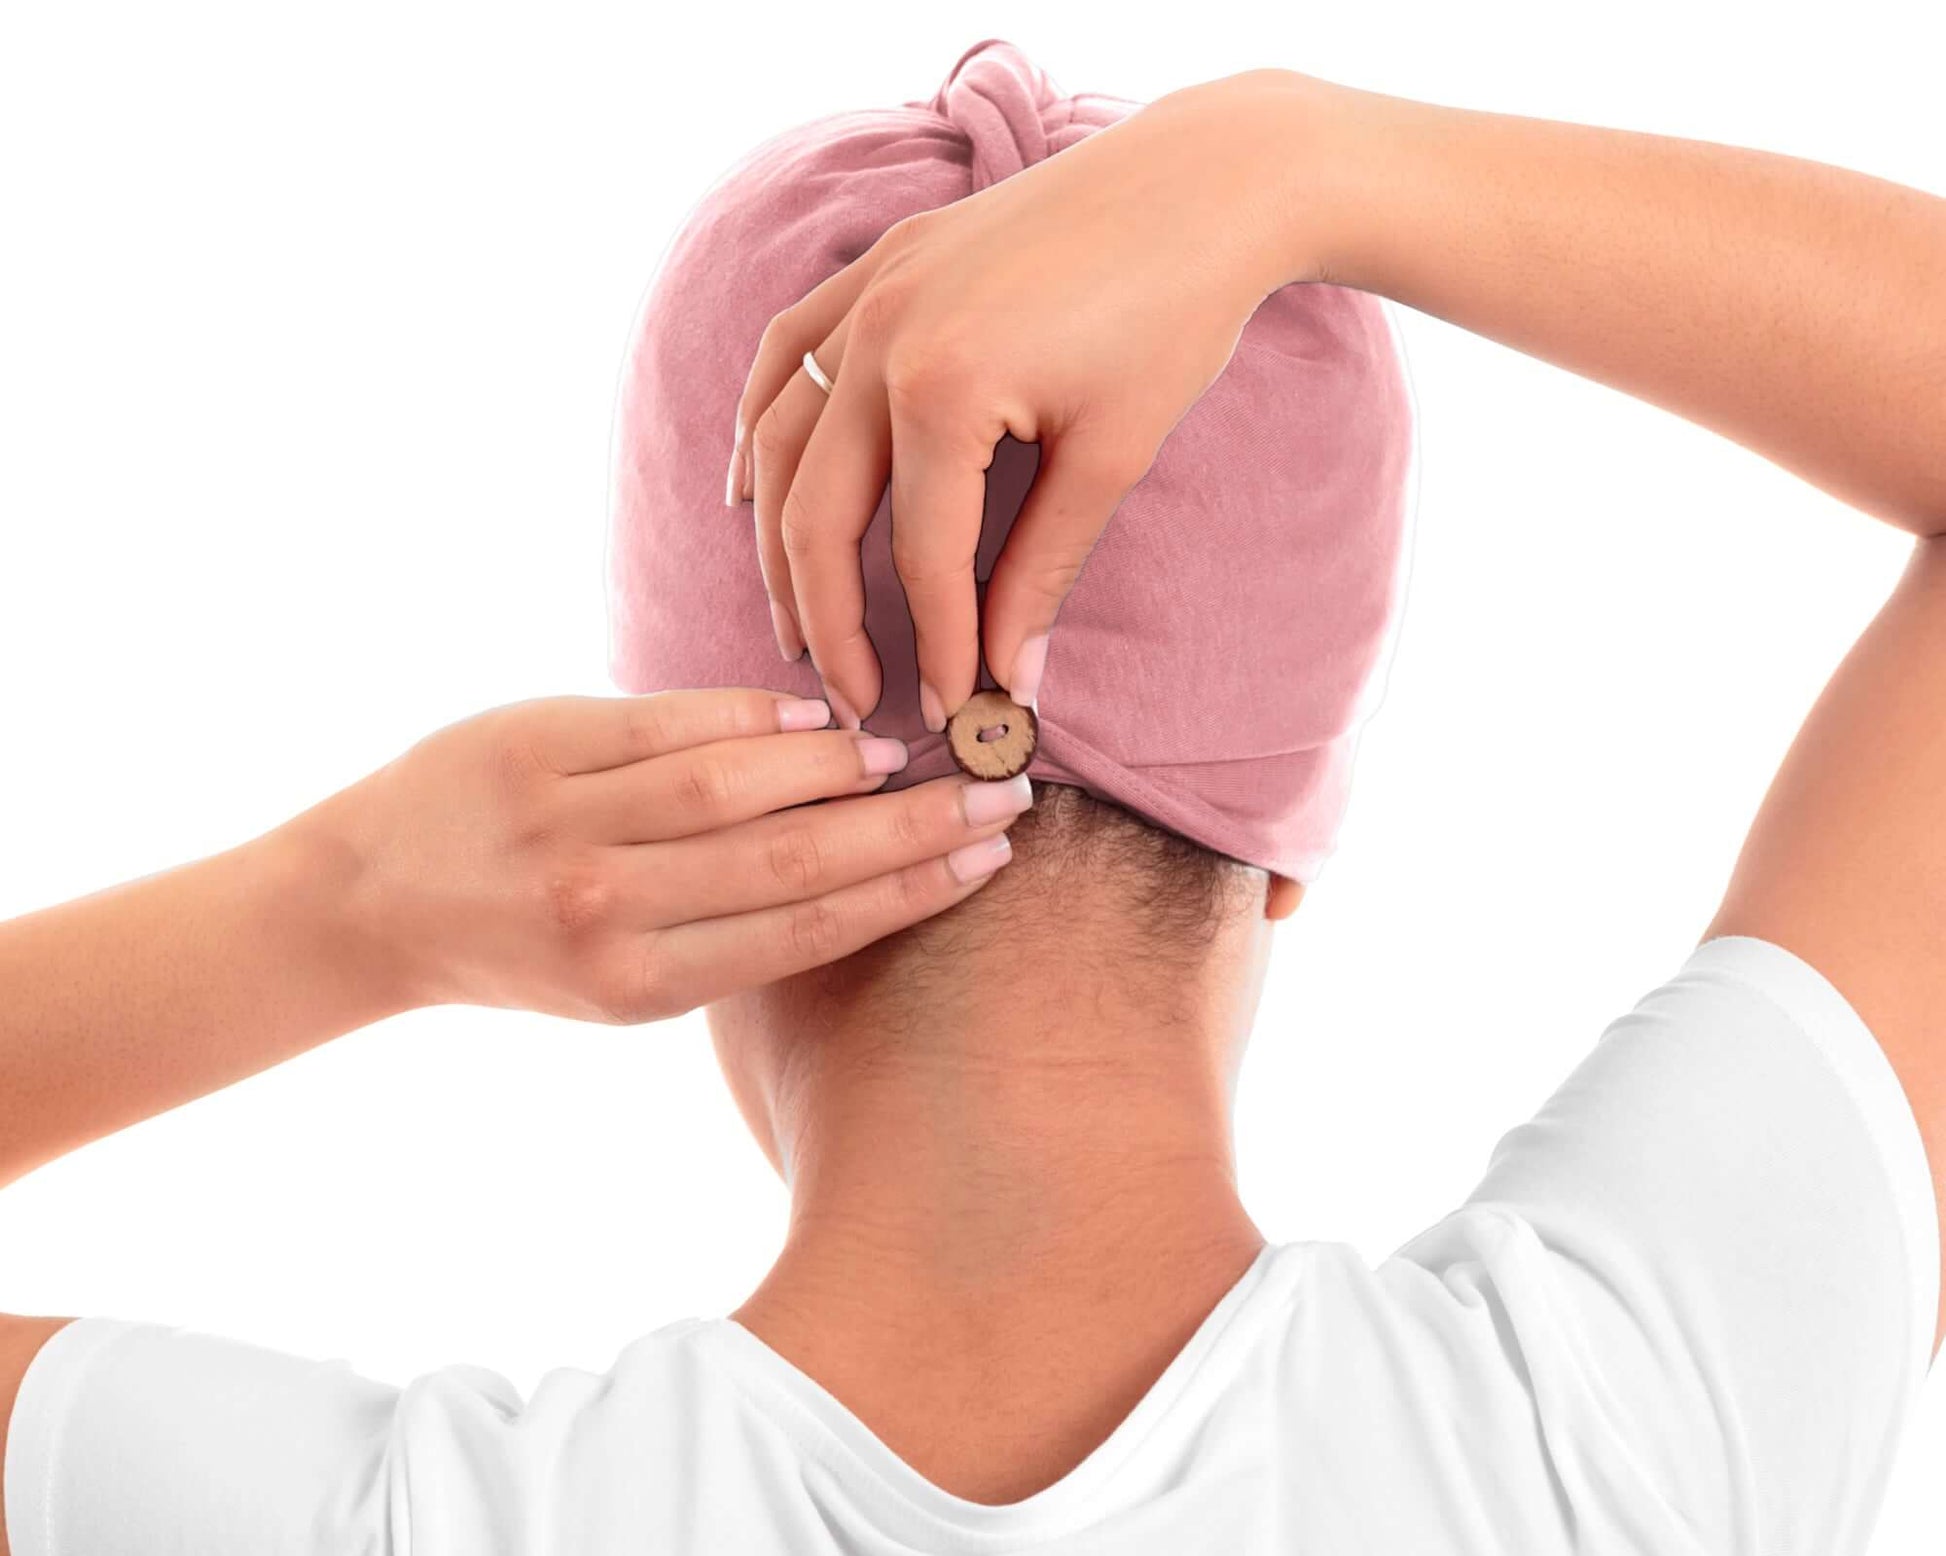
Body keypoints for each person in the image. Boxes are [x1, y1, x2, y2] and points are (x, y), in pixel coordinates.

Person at [2, 37, 1941, 1555]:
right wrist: (1307, 164)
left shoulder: (398, 1528)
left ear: (654, 829)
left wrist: (341, 903)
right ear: (1278, 848)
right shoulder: (1626, 1432)